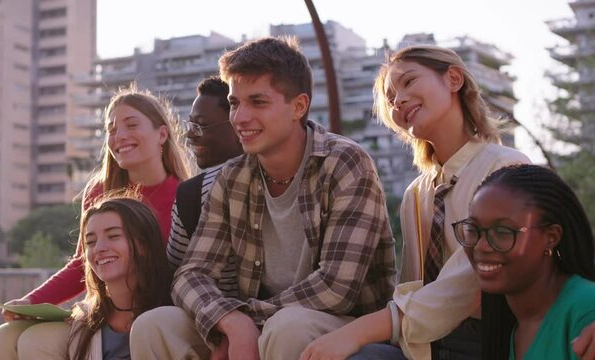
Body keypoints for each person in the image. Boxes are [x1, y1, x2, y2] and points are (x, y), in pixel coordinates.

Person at [129, 36, 396, 360]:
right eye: (235, 103)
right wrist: (228, 321)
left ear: (298, 106)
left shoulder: (344, 163)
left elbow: (336, 289)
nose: (240, 118)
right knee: (154, 324)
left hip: (346, 329)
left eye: (258, 102)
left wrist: (246, 321)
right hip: (265, 324)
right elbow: (190, 274)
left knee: (286, 327)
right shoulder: (232, 177)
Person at [301, 44, 531, 360]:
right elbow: (414, 283)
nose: (399, 100)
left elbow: (469, 282)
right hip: (427, 343)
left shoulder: (504, 167)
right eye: (391, 98)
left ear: (453, 79)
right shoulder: (416, 194)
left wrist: (358, 332)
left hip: (495, 338)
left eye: (409, 82)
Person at [0, 84, 190, 360]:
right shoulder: (99, 192)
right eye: (112, 129)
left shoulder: (187, 196)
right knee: (6, 336)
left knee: (37, 342)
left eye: (131, 125)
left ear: (162, 134)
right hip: (102, 313)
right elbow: (84, 263)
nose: (120, 136)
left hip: (156, 319)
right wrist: (31, 302)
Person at [453, 164, 595, 360]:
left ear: (550, 237)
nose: (481, 246)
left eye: (502, 231)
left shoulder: (587, 313)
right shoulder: (510, 325)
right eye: (473, 229)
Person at [68, 195, 173, 360]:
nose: (99, 248)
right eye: (90, 242)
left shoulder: (175, 316)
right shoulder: (83, 324)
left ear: (143, 244)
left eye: (113, 236)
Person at [167, 76, 243, 293]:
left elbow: (174, 271)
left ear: (238, 124)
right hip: (214, 313)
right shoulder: (190, 195)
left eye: (201, 125)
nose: (190, 134)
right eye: (190, 124)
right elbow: (178, 274)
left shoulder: (191, 193)